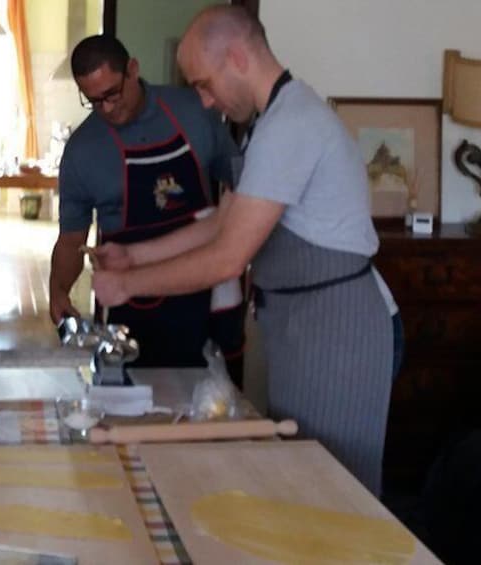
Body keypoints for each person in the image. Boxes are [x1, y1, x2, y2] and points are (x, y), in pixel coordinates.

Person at [92, 6, 399, 496]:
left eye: (204, 83)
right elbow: (223, 223)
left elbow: (227, 259)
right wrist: (134, 256)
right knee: (303, 482)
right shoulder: (269, 124)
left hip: (337, 330)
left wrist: (126, 285)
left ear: (236, 56)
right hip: (304, 325)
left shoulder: (291, 124)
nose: (206, 102)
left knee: (337, 492)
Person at [50, 34, 246, 379]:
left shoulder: (194, 111)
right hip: (134, 310)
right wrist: (58, 289)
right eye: (94, 101)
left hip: (207, 296)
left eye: (112, 93)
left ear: (133, 70)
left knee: (214, 408)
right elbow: (71, 240)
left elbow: (241, 186)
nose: (108, 108)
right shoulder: (82, 152)